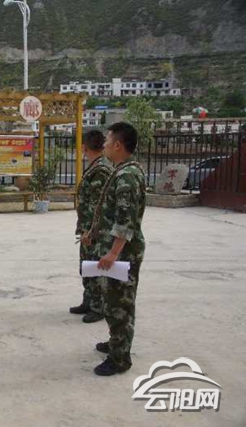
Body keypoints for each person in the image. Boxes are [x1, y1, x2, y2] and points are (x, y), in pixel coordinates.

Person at [89, 122, 146, 376]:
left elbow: (125, 220)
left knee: (120, 305)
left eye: (107, 141)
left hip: (123, 253)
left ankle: (120, 358)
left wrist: (113, 253)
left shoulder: (126, 176)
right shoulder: (124, 170)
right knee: (114, 301)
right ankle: (116, 342)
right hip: (118, 250)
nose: (104, 145)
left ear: (118, 145)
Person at [71, 130, 112, 323]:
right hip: (87, 228)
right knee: (86, 267)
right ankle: (88, 301)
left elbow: (98, 205)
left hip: (95, 231)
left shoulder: (100, 170)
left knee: (95, 268)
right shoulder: (96, 166)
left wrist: (91, 231)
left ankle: (98, 307)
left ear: (84, 147)